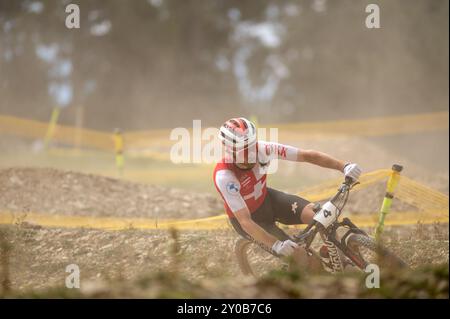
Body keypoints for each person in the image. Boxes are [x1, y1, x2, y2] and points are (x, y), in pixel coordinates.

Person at [213, 117, 362, 261]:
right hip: (252, 221)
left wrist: (344, 166)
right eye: (243, 149)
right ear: (229, 150)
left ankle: (340, 260)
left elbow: (307, 156)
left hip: (267, 200)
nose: (251, 152)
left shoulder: (264, 149)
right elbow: (245, 221)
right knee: (303, 258)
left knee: (322, 217)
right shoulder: (225, 176)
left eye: (252, 144)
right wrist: (276, 245)